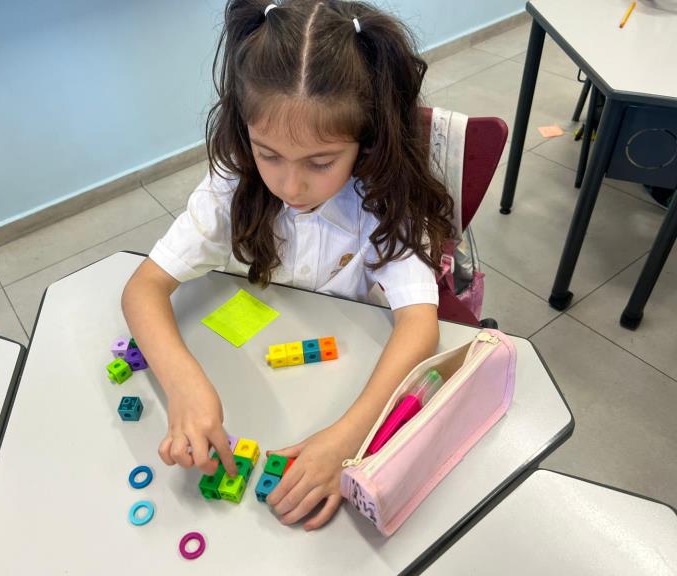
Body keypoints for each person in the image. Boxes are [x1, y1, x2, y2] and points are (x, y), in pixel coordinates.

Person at [121, 0, 455, 530]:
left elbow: (419, 326)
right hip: (263, 367)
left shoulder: (386, 199)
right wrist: (183, 384)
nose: (290, 185)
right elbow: (143, 288)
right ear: (244, 131)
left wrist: (347, 439)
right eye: (268, 154)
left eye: (320, 162)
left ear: (366, 140)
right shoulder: (231, 184)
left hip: (344, 374)